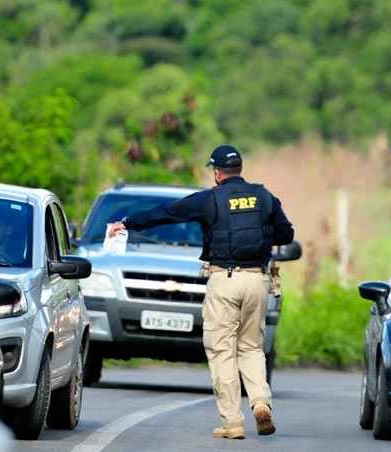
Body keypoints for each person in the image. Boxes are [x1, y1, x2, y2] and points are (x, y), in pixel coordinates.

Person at [108, 145, 294, 440]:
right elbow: (287, 235)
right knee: (251, 347)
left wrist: (127, 223)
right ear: (239, 170)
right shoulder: (264, 197)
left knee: (222, 350)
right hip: (258, 281)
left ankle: (233, 422)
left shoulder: (210, 200)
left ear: (217, 172)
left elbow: (167, 213)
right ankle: (260, 403)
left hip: (224, 280)